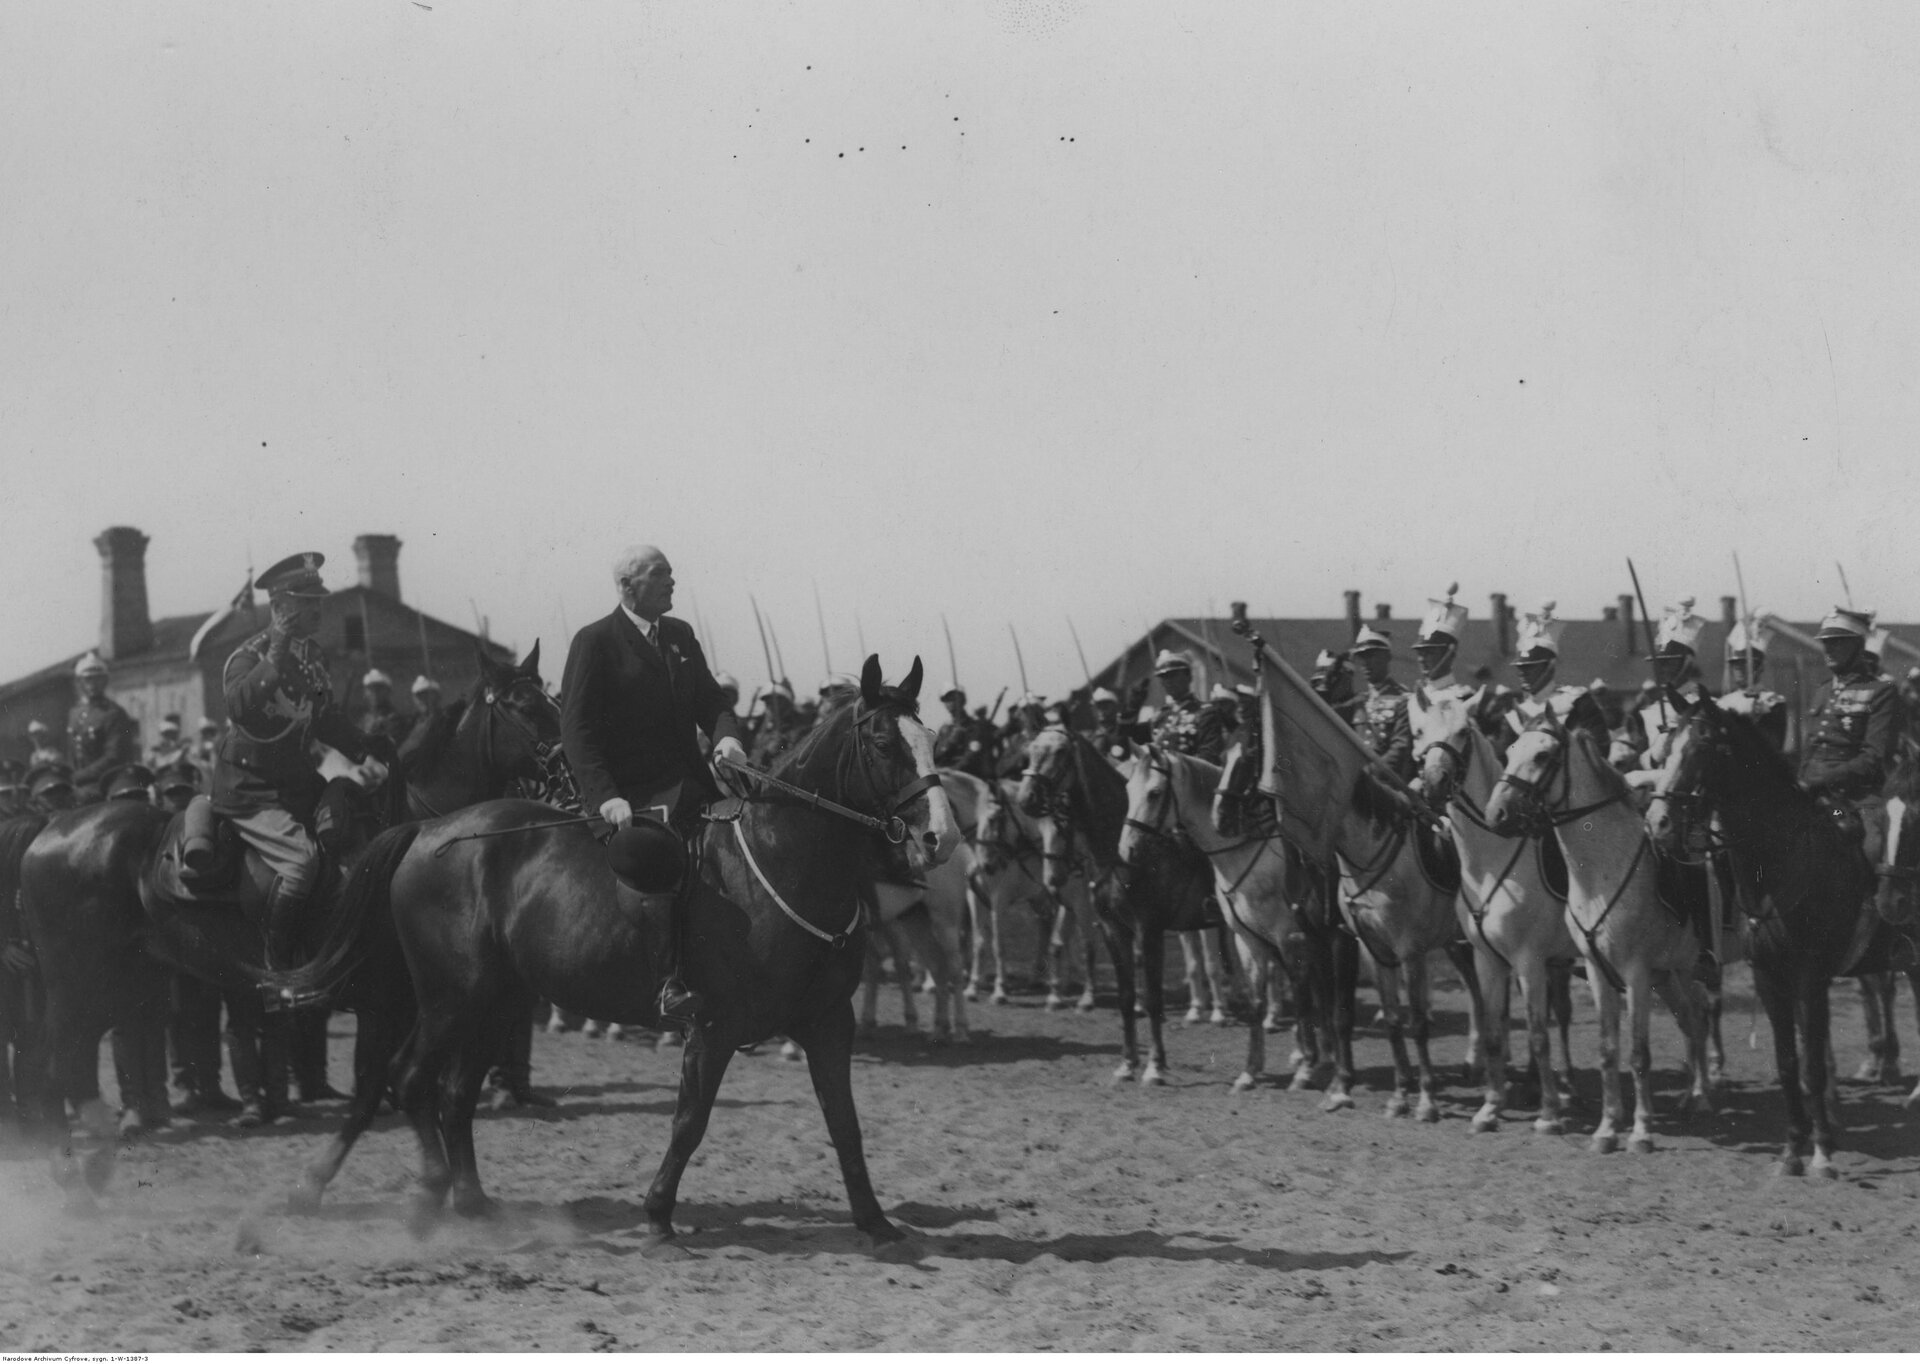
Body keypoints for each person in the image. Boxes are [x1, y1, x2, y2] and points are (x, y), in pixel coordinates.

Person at [559, 544, 746, 1025]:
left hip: (690, 786)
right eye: (660, 574)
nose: (671, 582)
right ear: (628, 586)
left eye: (671, 574)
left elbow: (712, 700)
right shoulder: (594, 641)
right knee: (656, 862)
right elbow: (577, 732)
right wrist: (605, 798)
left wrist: (726, 738)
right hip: (630, 799)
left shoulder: (680, 635)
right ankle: (669, 983)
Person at [211, 552, 387, 1002]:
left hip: (294, 783)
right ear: (280, 606)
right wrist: (276, 649)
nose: (318, 610)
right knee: (302, 863)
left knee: (358, 836)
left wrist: (367, 744)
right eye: (308, 602)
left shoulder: (314, 656)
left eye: (319, 600)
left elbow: (325, 717)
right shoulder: (245, 657)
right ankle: (277, 972)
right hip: (249, 790)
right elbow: (239, 705)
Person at [1617, 597, 1712, 776]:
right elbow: (1637, 760)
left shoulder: (1704, 705)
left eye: (1670, 662)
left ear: (1687, 663)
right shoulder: (1649, 710)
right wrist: (1656, 752)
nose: (1662, 668)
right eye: (1660, 662)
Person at [1507, 602, 1609, 749]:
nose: (1522, 673)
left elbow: (1601, 748)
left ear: (1550, 666)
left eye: (1530, 667)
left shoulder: (1578, 702)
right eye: (1521, 667)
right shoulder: (1515, 715)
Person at [67, 652, 139, 803]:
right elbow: (73, 753)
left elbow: (114, 757)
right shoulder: (75, 714)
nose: (93, 684)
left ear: (105, 681)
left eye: (97, 679)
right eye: (88, 679)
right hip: (79, 783)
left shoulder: (114, 713)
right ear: (80, 683)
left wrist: (79, 776)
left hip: (107, 782)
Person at [1348, 625, 1413, 780]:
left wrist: (1368, 776)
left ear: (1387, 657)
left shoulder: (1403, 700)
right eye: (1361, 657)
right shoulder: (1358, 702)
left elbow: (1400, 749)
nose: (1365, 663)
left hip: (1388, 786)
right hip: (1357, 783)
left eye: (1372, 656)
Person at [1719, 616, 1789, 753]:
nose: (1738, 669)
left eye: (1744, 664)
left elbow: (1773, 747)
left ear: (1758, 668)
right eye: (1735, 664)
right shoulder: (1723, 702)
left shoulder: (1772, 702)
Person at [1146, 651, 1226, 763]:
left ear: (1188, 677)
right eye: (1164, 677)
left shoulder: (1206, 712)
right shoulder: (1159, 717)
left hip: (1191, 777)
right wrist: (1133, 706)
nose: (1168, 682)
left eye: (1173, 676)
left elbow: (1209, 756)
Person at [1412, 585, 1474, 706]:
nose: (1421, 659)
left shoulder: (1462, 699)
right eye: (1420, 653)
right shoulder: (1412, 700)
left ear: (1450, 653)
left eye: (1429, 652)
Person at [356, 670, 414, 748]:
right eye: (370, 689)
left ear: (388, 692)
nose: (375, 693)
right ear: (365, 693)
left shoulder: (396, 719)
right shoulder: (365, 719)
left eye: (379, 689)